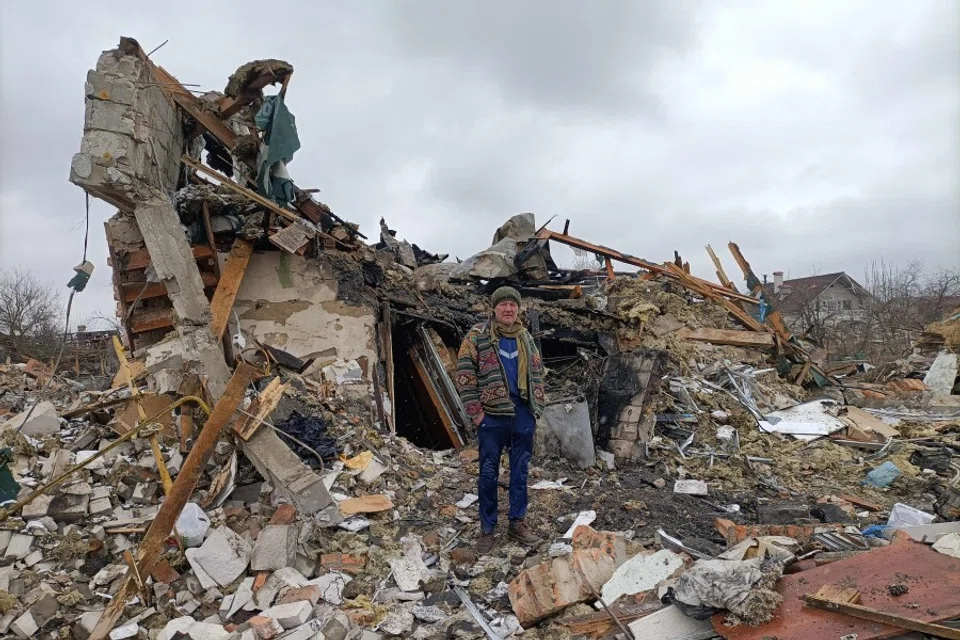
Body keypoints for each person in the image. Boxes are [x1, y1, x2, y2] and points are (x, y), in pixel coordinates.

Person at [455, 286, 546, 554]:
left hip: (522, 415)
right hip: (491, 417)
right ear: (493, 309)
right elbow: (464, 375)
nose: (508, 308)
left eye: (513, 304)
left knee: (519, 472)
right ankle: (487, 528)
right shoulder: (477, 336)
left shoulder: (526, 338)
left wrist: (535, 408)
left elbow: (538, 372)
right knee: (487, 473)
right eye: (503, 304)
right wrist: (477, 413)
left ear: (519, 309)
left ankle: (517, 523)